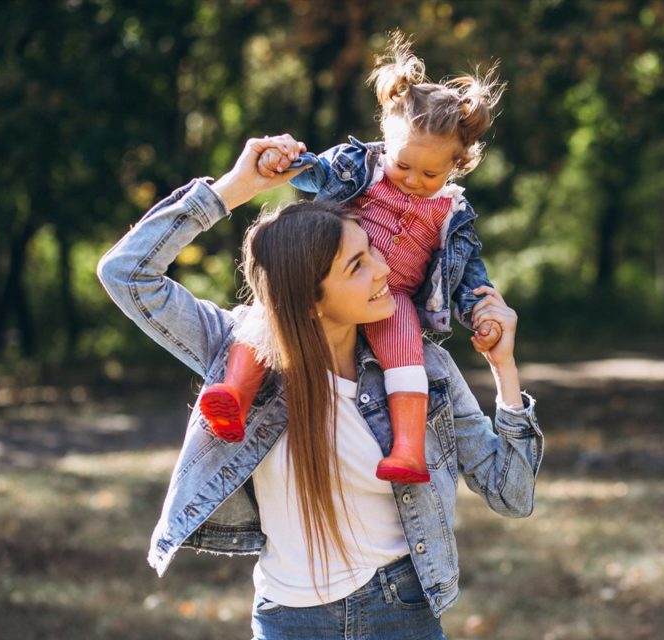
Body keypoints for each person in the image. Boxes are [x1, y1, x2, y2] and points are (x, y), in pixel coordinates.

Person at [96, 135, 544, 640]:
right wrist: (236, 187)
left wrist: (504, 369)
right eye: (358, 264)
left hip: (404, 632)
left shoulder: (421, 371)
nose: (385, 272)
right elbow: (126, 274)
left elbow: (512, 493)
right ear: (310, 294)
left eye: (374, 251)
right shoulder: (240, 350)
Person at [197, 33, 506, 487]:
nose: (413, 180)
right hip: (336, 271)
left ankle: (406, 449)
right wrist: (288, 163)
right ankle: (234, 393)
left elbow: (469, 277)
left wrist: (480, 312)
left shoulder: (454, 213)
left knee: (407, 351)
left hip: (391, 296)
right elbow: (316, 174)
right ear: (386, 139)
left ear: (457, 164)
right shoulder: (359, 165)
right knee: (275, 308)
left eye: (431, 173)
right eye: (404, 166)